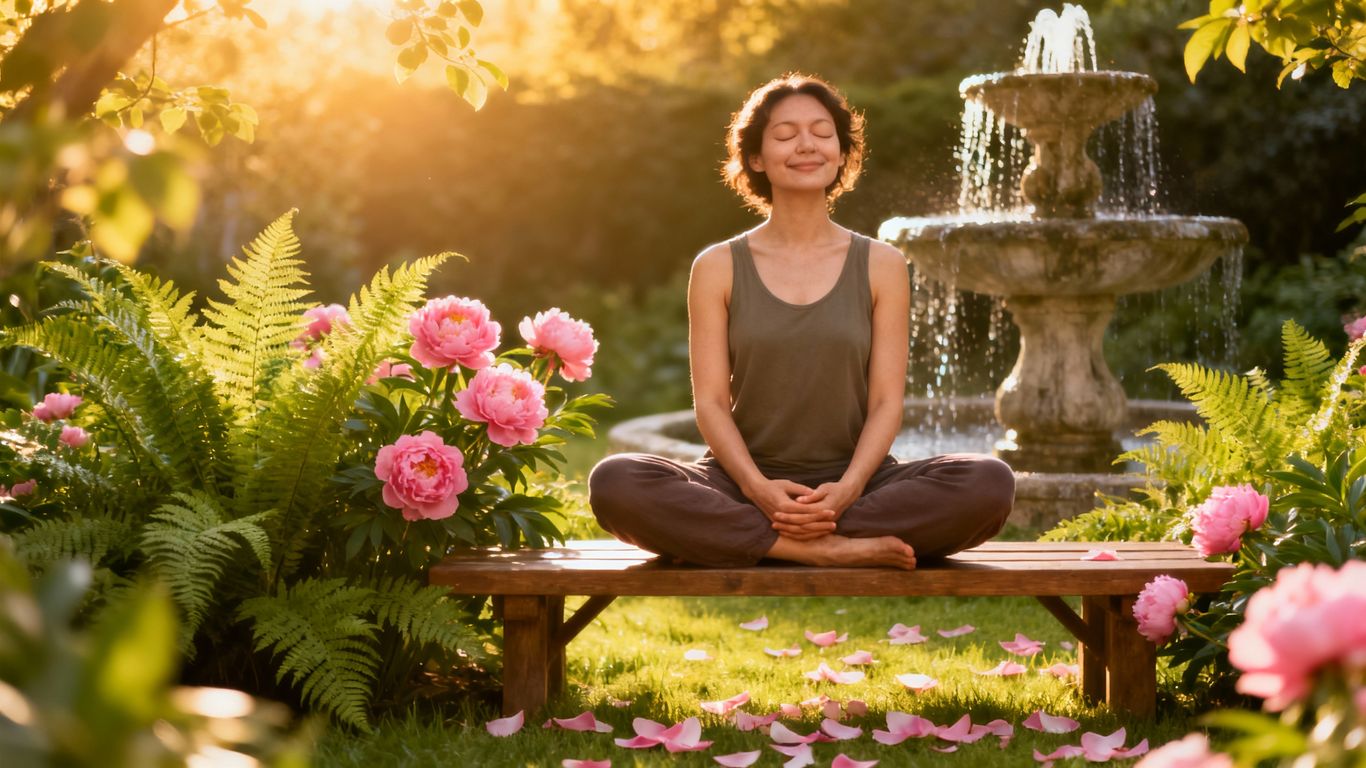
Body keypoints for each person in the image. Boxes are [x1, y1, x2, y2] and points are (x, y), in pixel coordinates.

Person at [589, 73, 1014, 570]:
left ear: (840, 152)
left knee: (990, 482)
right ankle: (819, 549)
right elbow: (710, 403)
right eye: (786, 134)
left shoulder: (882, 264)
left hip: (858, 486)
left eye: (822, 131)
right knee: (616, 481)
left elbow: (885, 402)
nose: (806, 145)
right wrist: (758, 490)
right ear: (755, 158)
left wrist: (848, 490)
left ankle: (763, 541)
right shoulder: (718, 266)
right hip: (740, 482)